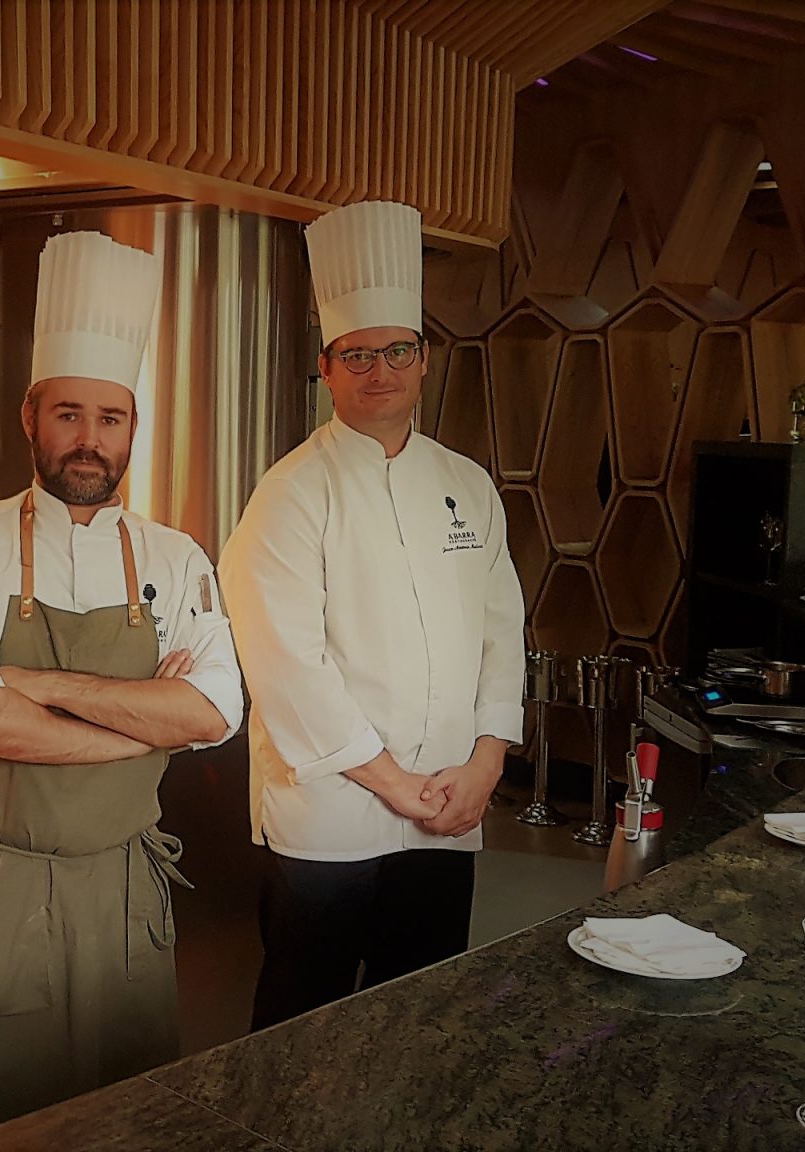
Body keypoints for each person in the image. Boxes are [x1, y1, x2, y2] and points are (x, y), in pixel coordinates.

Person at [0, 230, 244, 1143]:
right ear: (30, 416)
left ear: (134, 425)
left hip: (125, 890)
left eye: (111, 418)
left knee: (129, 1118)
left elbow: (216, 710)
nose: (89, 441)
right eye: (68, 415)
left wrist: (37, 681)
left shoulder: (175, 558)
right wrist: (145, 729)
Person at [219, 199, 527, 1030]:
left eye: (397, 350)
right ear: (327, 369)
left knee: (422, 1016)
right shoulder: (288, 495)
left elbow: (503, 629)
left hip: (449, 804)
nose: (379, 369)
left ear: (425, 362)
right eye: (358, 354)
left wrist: (487, 762)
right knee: (302, 1021)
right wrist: (394, 783)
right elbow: (285, 665)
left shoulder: (466, 483)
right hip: (333, 817)